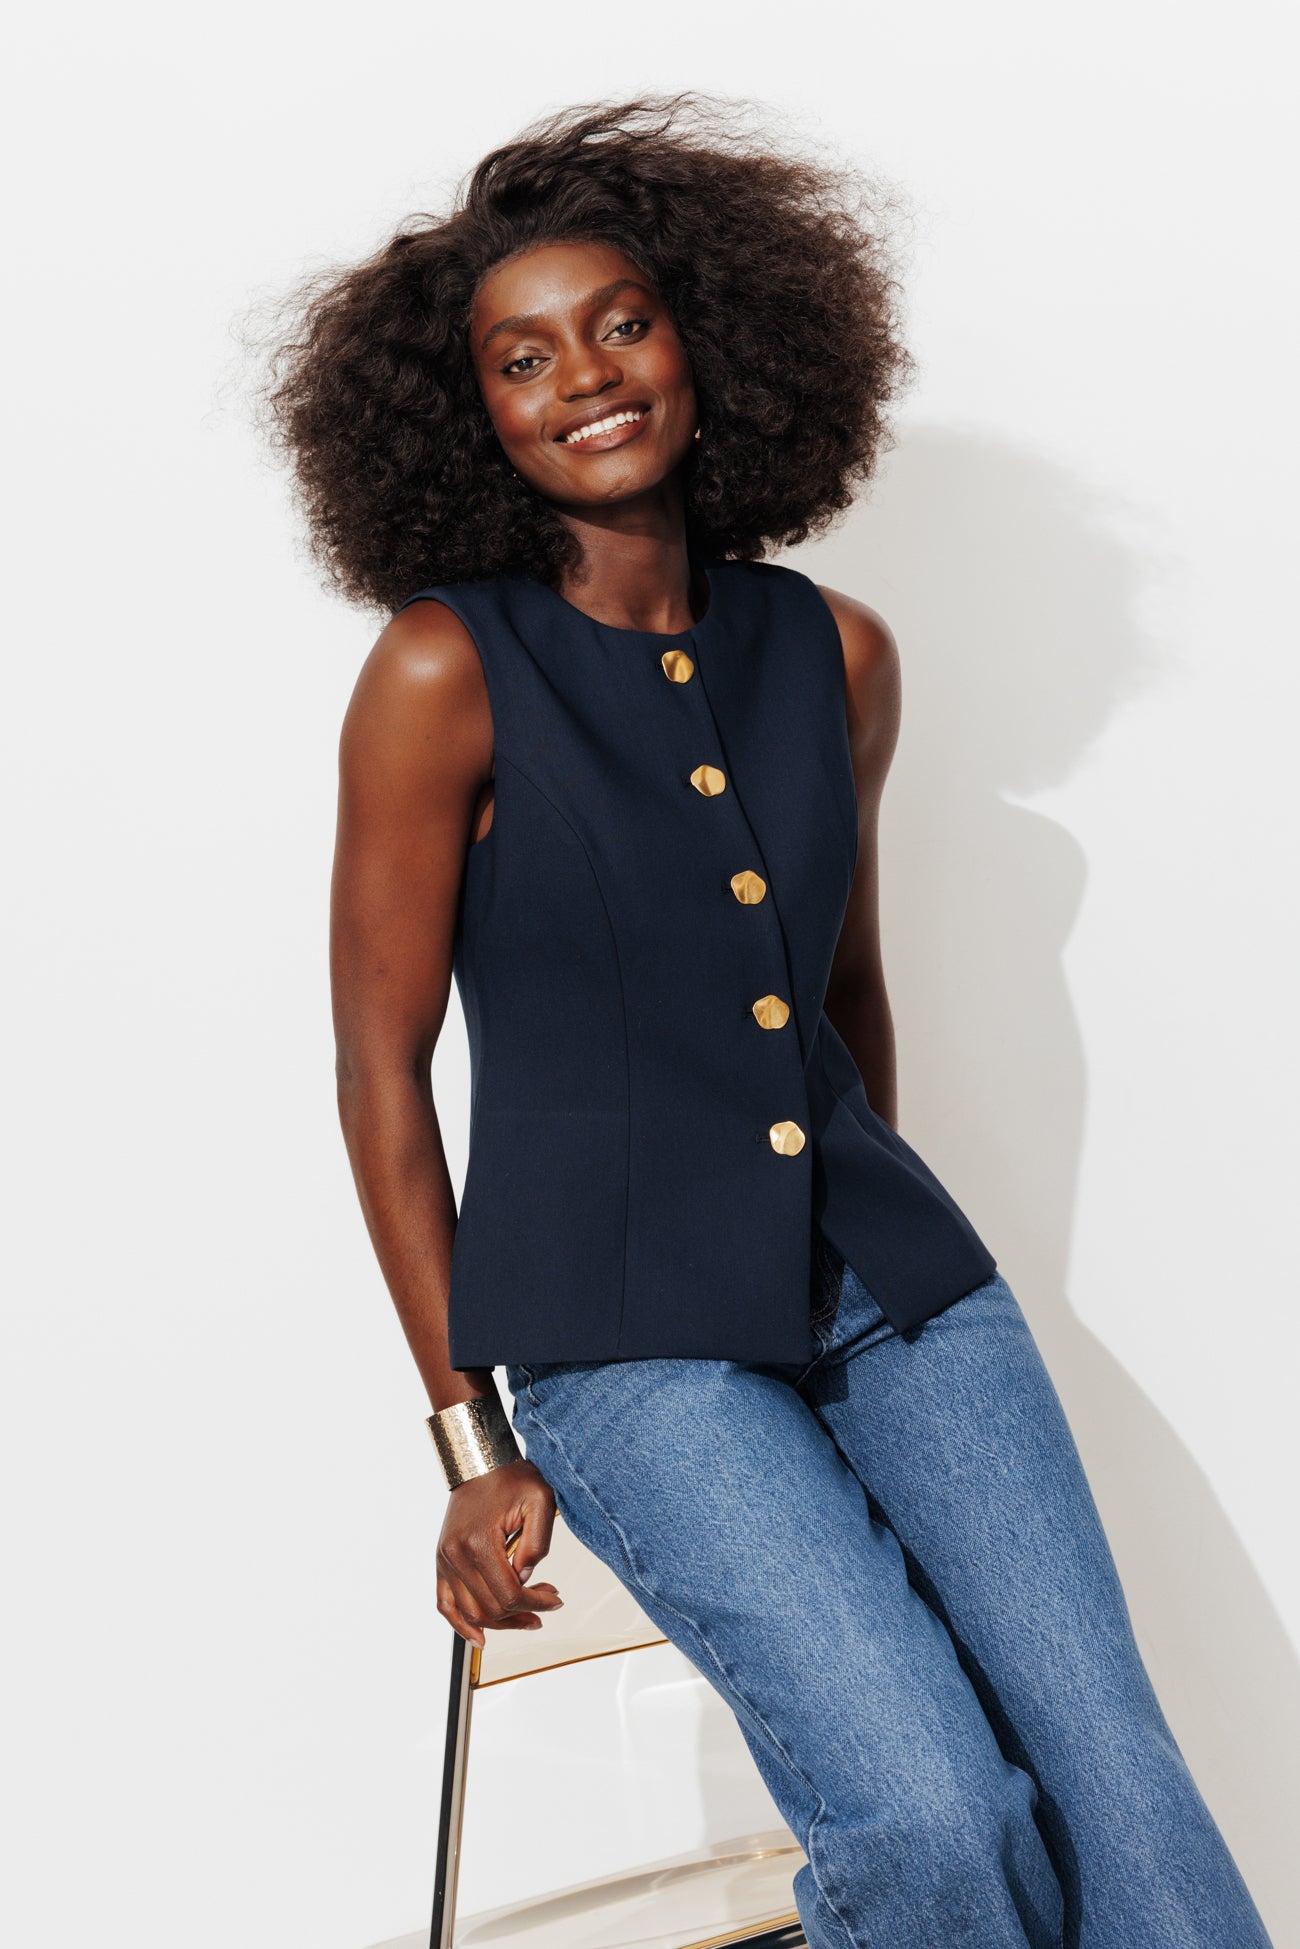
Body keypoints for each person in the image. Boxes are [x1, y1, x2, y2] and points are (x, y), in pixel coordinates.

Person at [265, 95, 1271, 1949]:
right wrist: (469, 1440)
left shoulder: (836, 650)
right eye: (522, 357)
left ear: (704, 340)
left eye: (621, 324)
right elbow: (377, 1072)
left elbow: (843, 989)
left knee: (1119, 1778)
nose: (586, 377)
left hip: (903, 1298)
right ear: (470, 413)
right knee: (936, 1814)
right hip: (629, 1349)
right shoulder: (442, 669)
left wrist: (851, 1234)